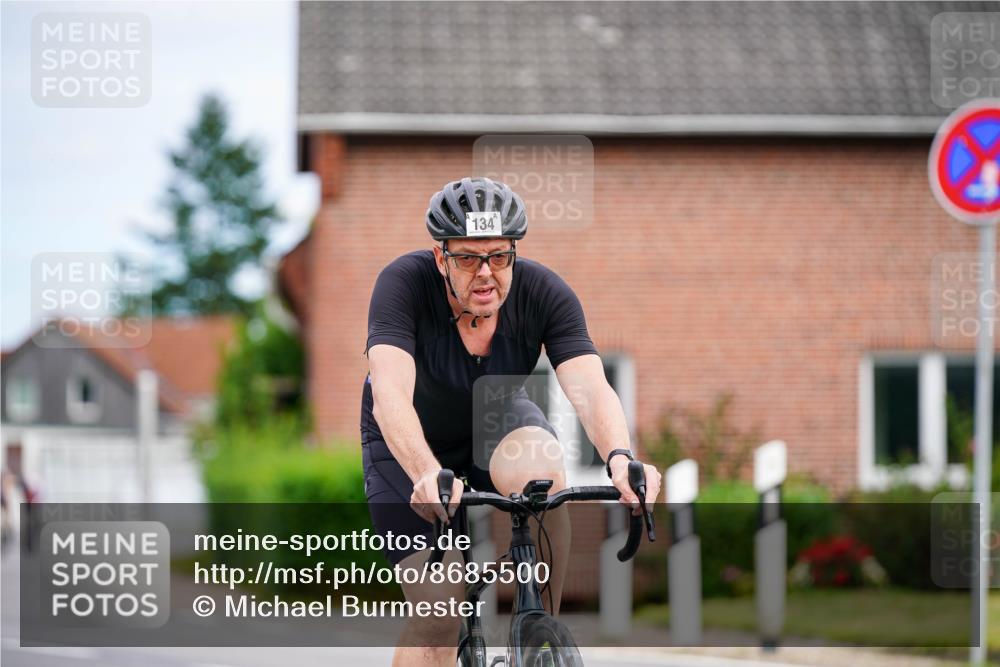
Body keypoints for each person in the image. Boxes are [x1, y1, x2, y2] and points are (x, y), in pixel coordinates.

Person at [362, 176, 662, 666]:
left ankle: (538, 629)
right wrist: (422, 470)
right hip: (408, 442)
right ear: (441, 258)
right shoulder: (403, 285)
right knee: (439, 611)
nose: (486, 274)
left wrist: (620, 458)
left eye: (499, 257)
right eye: (467, 258)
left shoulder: (544, 292)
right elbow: (390, 391)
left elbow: (589, 386)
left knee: (543, 477)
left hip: (494, 413)